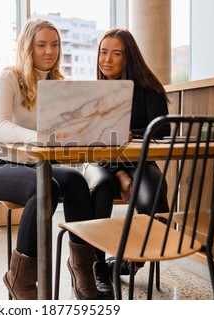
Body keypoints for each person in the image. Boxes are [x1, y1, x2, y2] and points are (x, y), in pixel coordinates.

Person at [0, 18, 98, 300]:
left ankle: (82, 268)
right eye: (41, 45)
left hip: (37, 165)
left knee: (77, 182)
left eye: (55, 45)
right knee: (46, 189)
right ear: (27, 48)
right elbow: (1, 126)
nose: (49, 51)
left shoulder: (58, 84)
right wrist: (41, 136)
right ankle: (20, 279)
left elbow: (65, 129)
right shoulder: (10, 77)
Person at [83, 28, 170, 297]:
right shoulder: (93, 92)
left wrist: (133, 133)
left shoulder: (148, 88)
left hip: (138, 160)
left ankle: (133, 260)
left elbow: (162, 130)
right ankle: (97, 265)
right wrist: (120, 174)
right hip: (100, 161)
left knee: (155, 198)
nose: (106, 59)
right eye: (103, 52)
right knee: (101, 188)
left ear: (128, 57)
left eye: (116, 53)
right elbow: (91, 141)